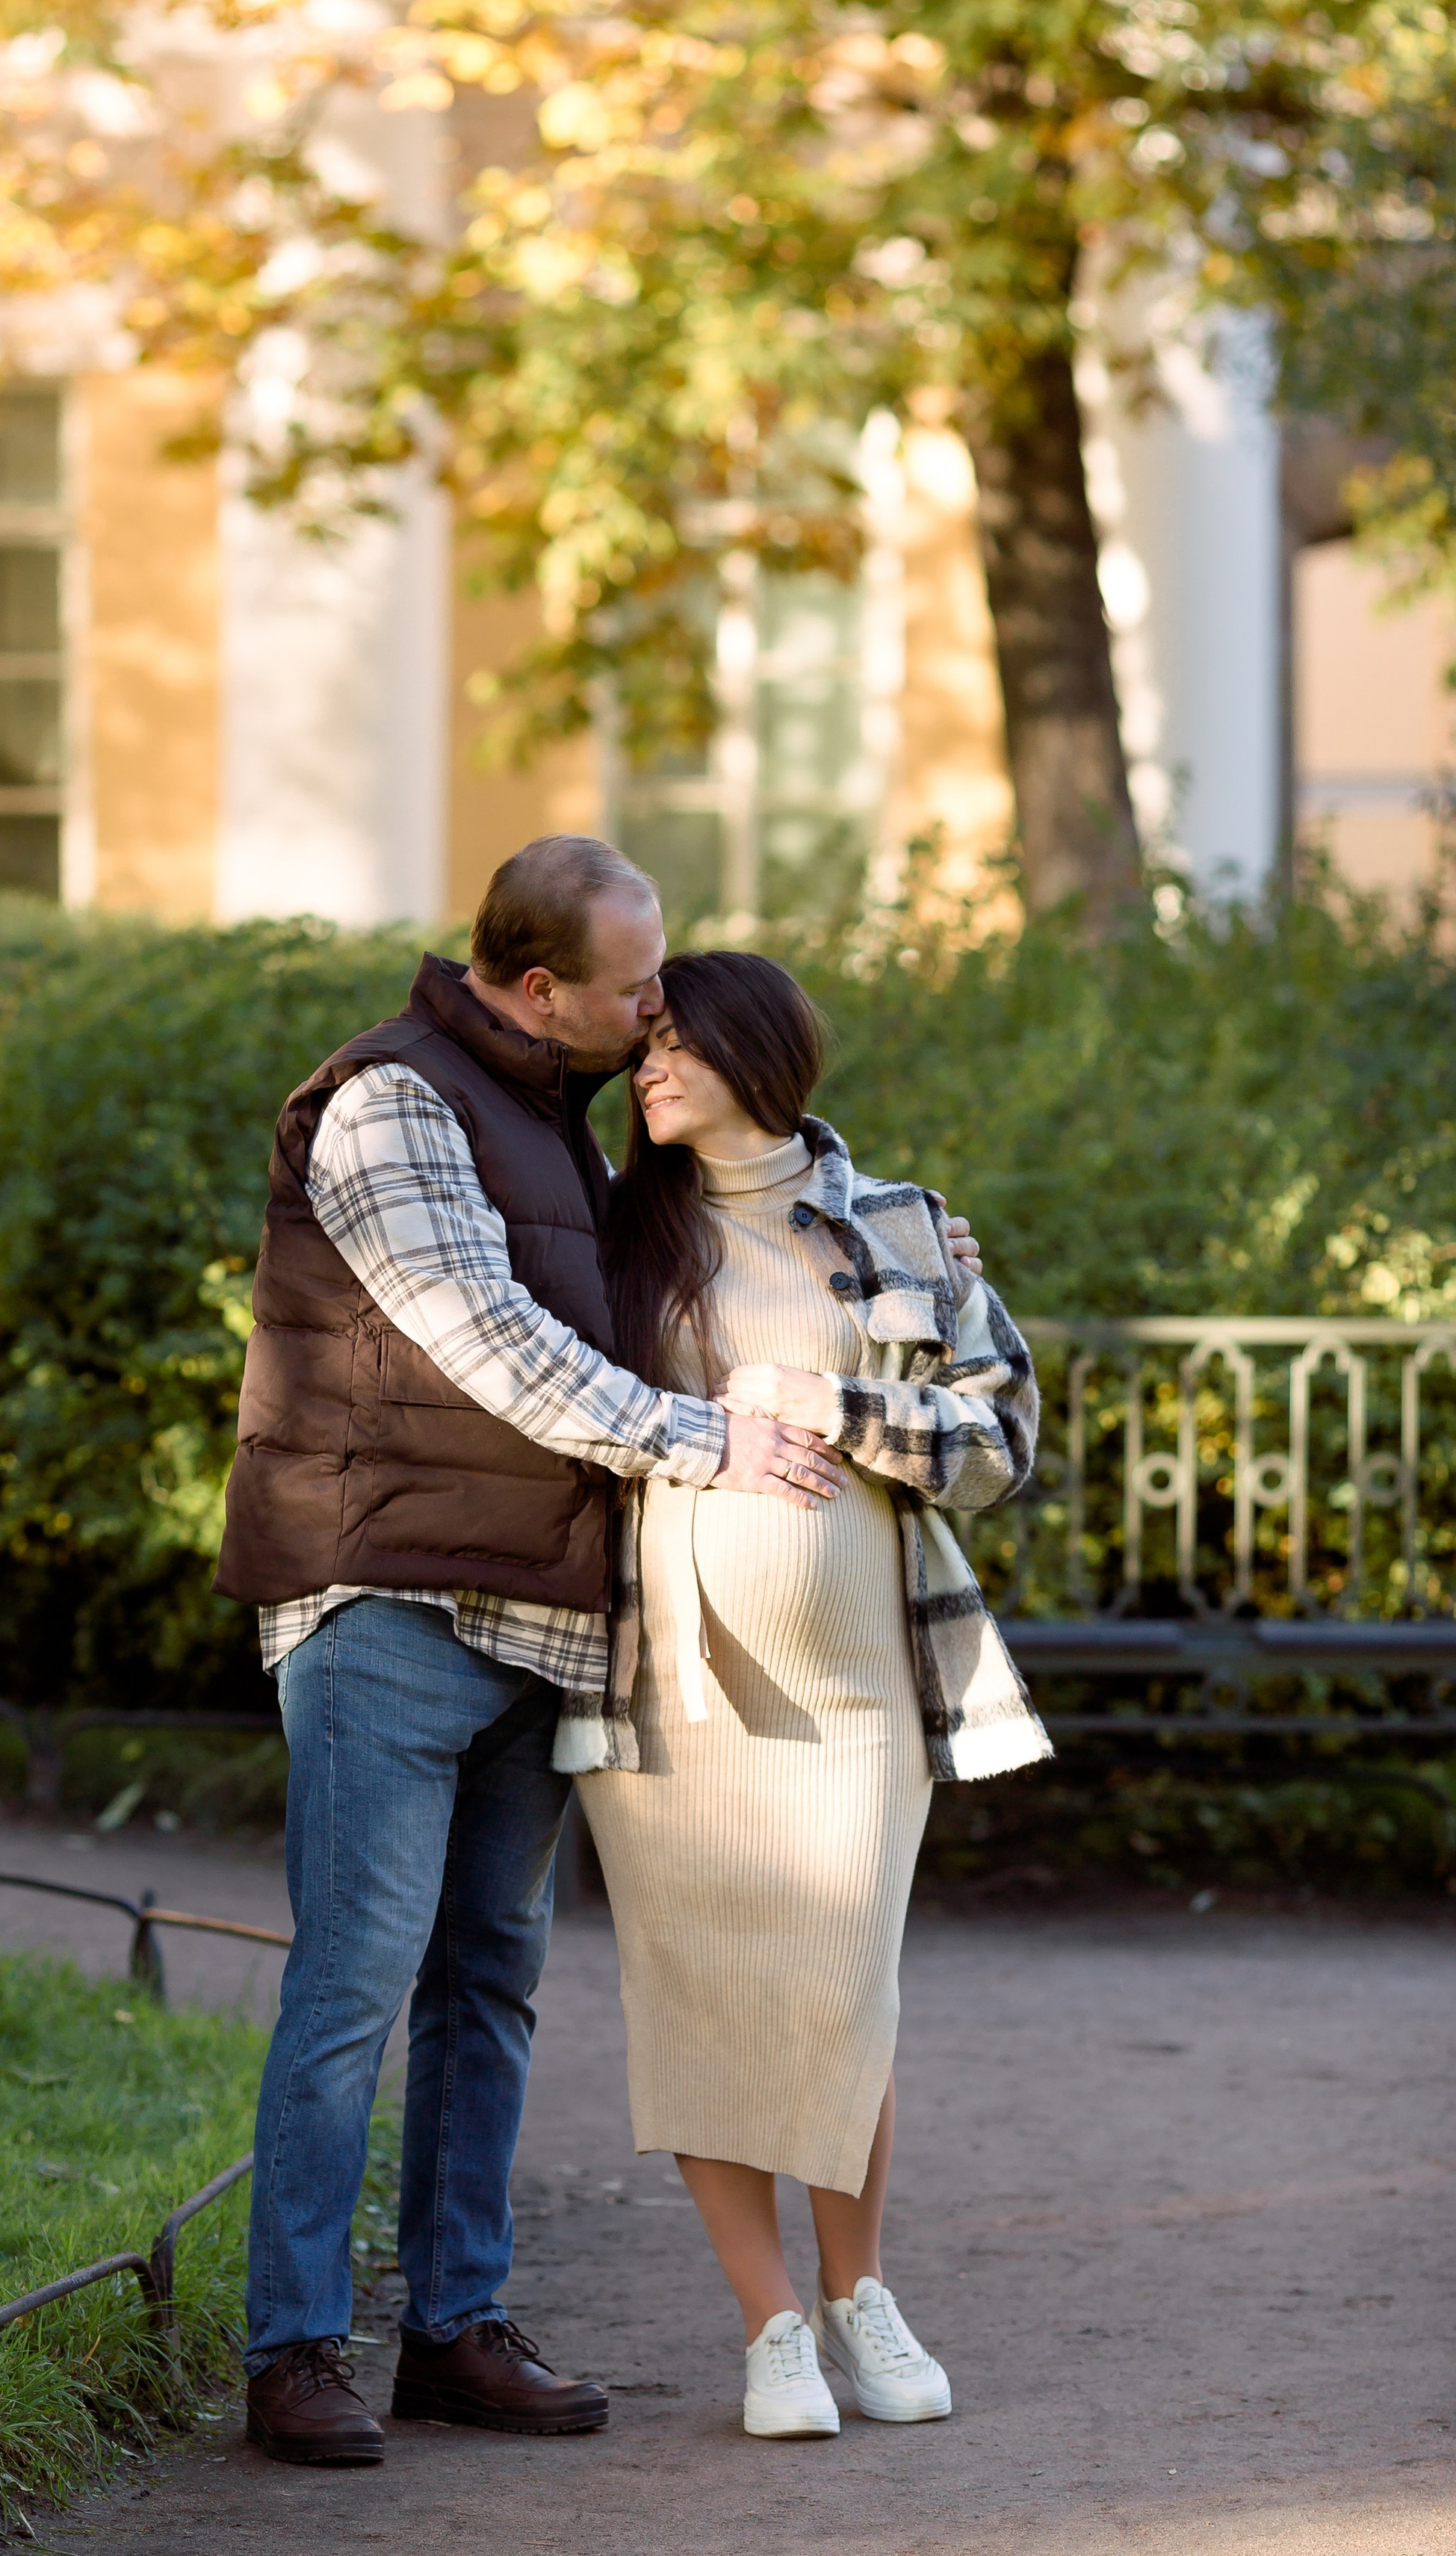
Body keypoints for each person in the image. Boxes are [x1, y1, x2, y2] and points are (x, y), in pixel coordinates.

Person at [212, 838, 872, 2469]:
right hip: (386, 1603)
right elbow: (485, 1341)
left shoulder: (564, 1121)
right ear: (532, 987)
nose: (656, 1006)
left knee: (489, 1988)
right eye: (632, 984)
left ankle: (452, 2328)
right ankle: (295, 2348)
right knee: (355, 1982)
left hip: (536, 1616)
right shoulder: (390, 1101)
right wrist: (698, 1441)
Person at [580, 947, 1050, 2442]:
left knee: (843, 1990)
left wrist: (830, 1405)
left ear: (746, 1053)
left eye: (665, 1046)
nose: (639, 1069)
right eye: (635, 1048)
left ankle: (858, 2296)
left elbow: (994, 1444)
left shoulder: (901, 1225)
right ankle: (769, 2325)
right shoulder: (608, 1229)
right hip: (669, 1683)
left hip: (860, 1683)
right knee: (698, 1993)